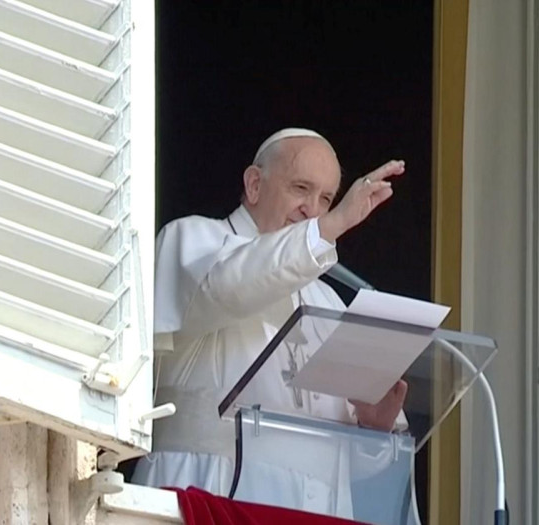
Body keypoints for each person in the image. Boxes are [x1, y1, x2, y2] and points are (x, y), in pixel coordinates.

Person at [134, 128, 411, 518]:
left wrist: (372, 429)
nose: (313, 210)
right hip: (205, 500)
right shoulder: (193, 239)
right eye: (301, 188)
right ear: (254, 185)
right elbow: (232, 285)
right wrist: (332, 225)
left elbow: (349, 465)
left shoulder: (327, 302)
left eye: (327, 199)